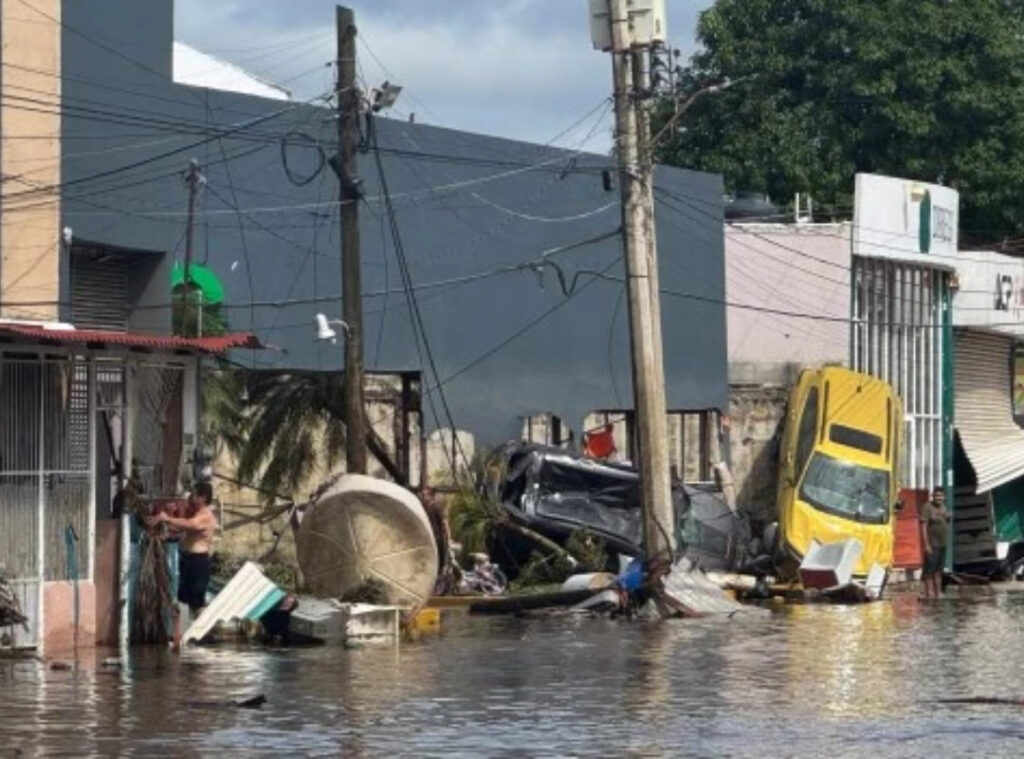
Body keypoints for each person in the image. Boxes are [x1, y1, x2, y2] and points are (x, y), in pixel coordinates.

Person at [150, 481, 219, 617]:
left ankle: (199, 631)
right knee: (184, 598)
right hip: (187, 560)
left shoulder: (205, 516)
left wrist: (167, 518)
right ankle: (186, 630)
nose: (190, 497)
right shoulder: (196, 513)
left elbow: (190, 524)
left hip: (198, 562)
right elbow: (182, 527)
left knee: (196, 602)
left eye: (193, 494)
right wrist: (165, 524)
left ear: (202, 497)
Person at [919, 487, 950, 599]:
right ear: (932, 496)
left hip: (943, 544)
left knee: (938, 571)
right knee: (929, 570)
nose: (939, 498)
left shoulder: (943, 507)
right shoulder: (927, 507)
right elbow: (923, 526)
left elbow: (945, 520)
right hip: (932, 544)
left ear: (944, 497)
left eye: (941, 496)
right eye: (936, 496)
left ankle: (938, 594)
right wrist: (926, 544)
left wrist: (947, 517)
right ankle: (929, 593)